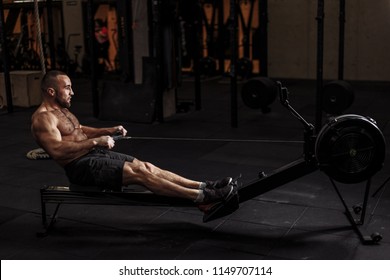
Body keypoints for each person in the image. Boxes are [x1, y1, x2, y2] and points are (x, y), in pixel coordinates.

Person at [31, 70, 235, 212]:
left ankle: (204, 186)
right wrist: (96, 142)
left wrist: (107, 130)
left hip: (93, 155)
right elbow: (57, 150)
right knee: (138, 174)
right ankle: (203, 199)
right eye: (67, 88)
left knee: (145, 166)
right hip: (80, 167)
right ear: (51, 91)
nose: (72, 92)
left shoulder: (62, 110)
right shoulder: (43, 118)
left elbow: (78, 130)